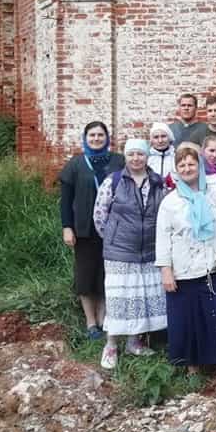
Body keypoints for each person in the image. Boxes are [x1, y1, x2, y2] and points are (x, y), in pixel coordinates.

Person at [155, 143, 216, 378]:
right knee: (188, 319)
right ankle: (192, 366)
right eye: (182, 164)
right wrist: (166, 270)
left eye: (191, 163)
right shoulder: (170, 202)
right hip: (183, 271)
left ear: (200, 166)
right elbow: (163, 238)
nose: (187, 168)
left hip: (214, 267)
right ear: (176, 170)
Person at [93, 139, 167, 369]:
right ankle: (111, 345)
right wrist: (115, 239)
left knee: (141, 299)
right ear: (125, 156)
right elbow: (99, 215)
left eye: (140, 154)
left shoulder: (157, 183)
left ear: (147, 157)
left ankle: (135, 342)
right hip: (119, 253)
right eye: (131, 154)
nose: (136, 158)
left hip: (149, 251)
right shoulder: (113, 181)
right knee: (119, 300)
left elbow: (164, 214)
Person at [60, 121, 125, 339]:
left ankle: (104, 317)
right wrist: (67, 227)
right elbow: (66, 200)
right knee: (86, 275)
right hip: (84, 230)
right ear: (85, 138)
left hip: (113, 230)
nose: (96, 139)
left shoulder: (118, 161)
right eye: (92, 135)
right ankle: (90, 323)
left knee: (108, 275)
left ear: (107, 138)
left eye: (100, 135)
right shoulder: (76, 164)